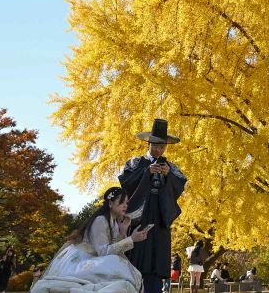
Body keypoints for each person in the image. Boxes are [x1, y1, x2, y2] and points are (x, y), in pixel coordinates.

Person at [31, 187, 151, 293]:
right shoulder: (101, 220)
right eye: (121, 202)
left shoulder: (113, 222)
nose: (125, 205)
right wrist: (131, 239)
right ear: (110, 203)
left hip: (95, 258)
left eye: (126, 203)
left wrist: (123, 231)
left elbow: (114, 250)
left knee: (119, 266)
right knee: (115, 265)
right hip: (82, 258)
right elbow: (104, 252)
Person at [120, 119, 187, 293]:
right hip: (139, 217)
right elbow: (126, 185)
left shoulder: (171, 168)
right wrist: (146, 172)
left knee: (156, 264)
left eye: (162, 146)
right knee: (134, 260)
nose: (159, 149)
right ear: (148, 143)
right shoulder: (135, 164)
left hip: (160, 218)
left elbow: (179, 188)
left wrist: (168, 177)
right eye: (155, 145)